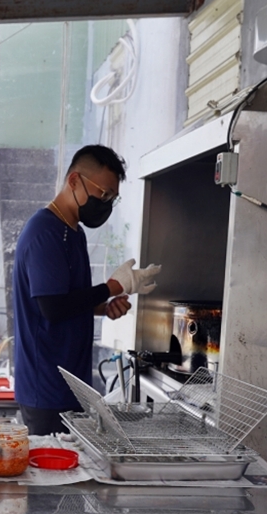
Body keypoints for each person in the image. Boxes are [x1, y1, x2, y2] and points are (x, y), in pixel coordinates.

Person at [12, 144, 161, 435]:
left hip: (71, 384)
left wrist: (103, 306)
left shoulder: (73, 232)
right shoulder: (45, 232)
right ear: (73, 181)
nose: (104, 203)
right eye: (102, 193)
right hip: (47, 388)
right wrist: (111, 287)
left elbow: (68, 299)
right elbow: (51, 308)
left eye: (112, 198)